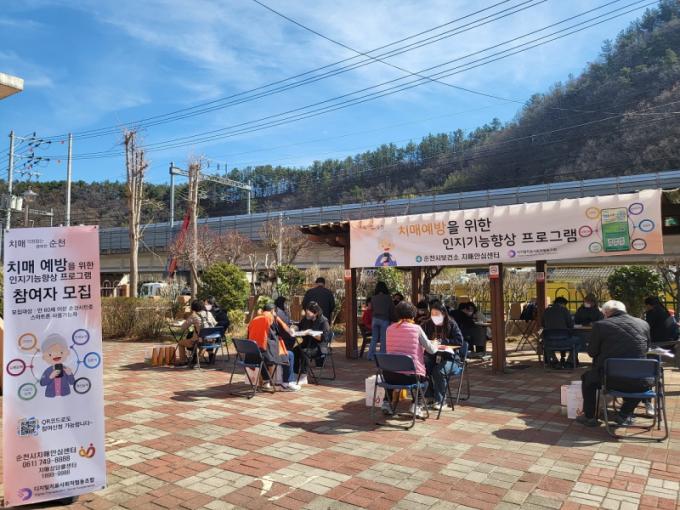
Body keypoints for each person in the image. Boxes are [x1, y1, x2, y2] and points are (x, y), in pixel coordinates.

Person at [577, 300, 652, 427]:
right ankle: (625, 413)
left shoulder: (600, 325)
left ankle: (589, 416)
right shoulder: (643, 324)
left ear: (606, 313)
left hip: (609, 379)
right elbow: (647, 348)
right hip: (640, 380)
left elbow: (592, 352)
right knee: (643, 384)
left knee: (587, 378)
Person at [382, 301, 439, 418]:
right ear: (413, 314)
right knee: (425, 381)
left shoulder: (389, 329)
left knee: (393, 374)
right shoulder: (416, 329)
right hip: (411, 376)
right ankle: (416, 405)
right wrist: (436, 343)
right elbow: (432, 350)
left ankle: (386, 403)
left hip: (390, 375)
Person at [247, 303, 301, 391]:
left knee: (262, 355)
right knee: (289, 355)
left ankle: (266, 382)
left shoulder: (254, 319)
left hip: (251, 355)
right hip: (266, 354)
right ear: (272, 311)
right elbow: (274, 337)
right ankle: (287, 383)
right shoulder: (270, 318)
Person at [422, 302, 464, 408]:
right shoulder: (427, 324)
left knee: (439, 371)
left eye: (437, 314)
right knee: (423, 368)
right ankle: (429, 397)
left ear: (443, 314)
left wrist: (443, 341)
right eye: (432, 314)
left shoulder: (451, 324)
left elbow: (459, 341)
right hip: (433, 356)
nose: (434, 317)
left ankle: (440, 401)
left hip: (451, 359)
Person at [294, 301, 333, 375]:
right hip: (307, 344)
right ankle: (295, 373)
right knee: (295, 350)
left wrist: (311, 333)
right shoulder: (306, 319)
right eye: (306, 313)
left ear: (316, 313)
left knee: (305, 352)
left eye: (308, 313)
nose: (307, 315)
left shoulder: (323, 321)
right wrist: (294, 328)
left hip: (319, 347)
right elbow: (299, 326)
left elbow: (324, 338)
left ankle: (303, 375)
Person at [542, 296, 578, 368]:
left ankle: (554, 361)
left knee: (545, 343)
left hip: (549, 341)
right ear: (563, 304)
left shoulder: (546, 311)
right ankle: (570, 362)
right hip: (564, 340)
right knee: (578, 341)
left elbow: (543, 324)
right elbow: (570, 325)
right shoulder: (564, 310)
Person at [179, 300, 217, 367]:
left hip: (199, 341)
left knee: (181, 343)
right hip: (212, 340)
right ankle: (197, 359)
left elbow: (183, 327)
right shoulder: (209, 313)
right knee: (203, 340)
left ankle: (183, 361)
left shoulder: (194, 316)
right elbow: (215, 324)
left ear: (193, 308)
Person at [369, 282, 395, 361]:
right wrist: (393, 319)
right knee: (383, 339)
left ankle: (370, 356)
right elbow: (392, 310)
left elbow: (371, 309)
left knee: (374, 338)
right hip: (384, 319)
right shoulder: (388, 298)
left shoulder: (373, 298)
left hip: (375, 320)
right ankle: (382, 357)